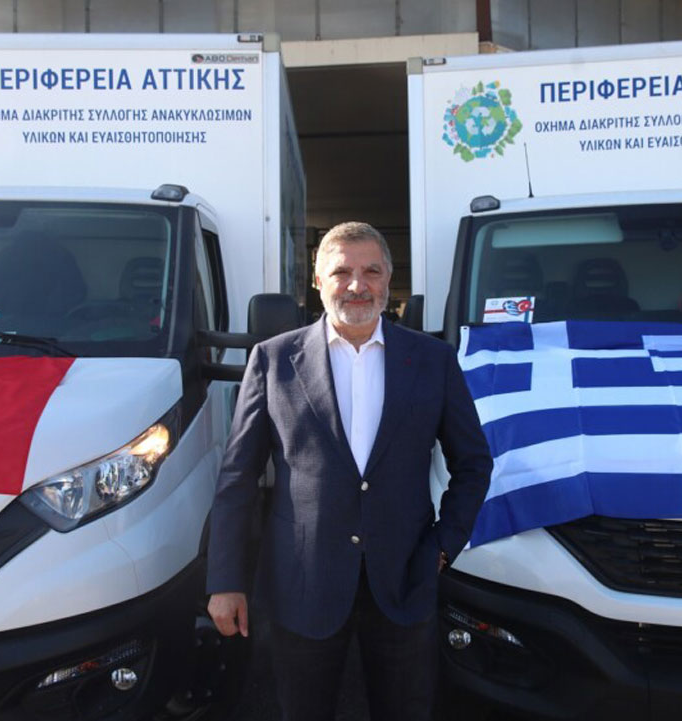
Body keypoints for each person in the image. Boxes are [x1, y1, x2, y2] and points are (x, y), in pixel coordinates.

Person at [205, 221, 492, 720]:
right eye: (341, 272)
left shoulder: (434, 360)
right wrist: (225, 580)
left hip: (404, 578)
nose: (357, 285)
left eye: (371, 272)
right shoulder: (273, 360)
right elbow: (238, 478)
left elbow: (473, 464)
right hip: (302, 583)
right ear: (318, 281)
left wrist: (444, 545)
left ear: (389, 281)